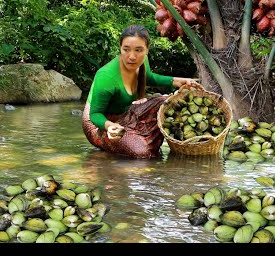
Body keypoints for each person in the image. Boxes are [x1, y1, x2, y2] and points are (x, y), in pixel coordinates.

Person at [82, 24, 197, 158]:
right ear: (120, 48)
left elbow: (149, 78)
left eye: (138, 50)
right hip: (99, 124)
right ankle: (131, 142)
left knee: (168, 103)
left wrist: (176, 81)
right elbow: (95, 114)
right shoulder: (106, 77)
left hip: (127, 113)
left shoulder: (142, 62)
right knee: (142, 153)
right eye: (126, 49)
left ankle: (137, 138)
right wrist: (109, 126)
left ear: (147, 50)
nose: (132, 56)